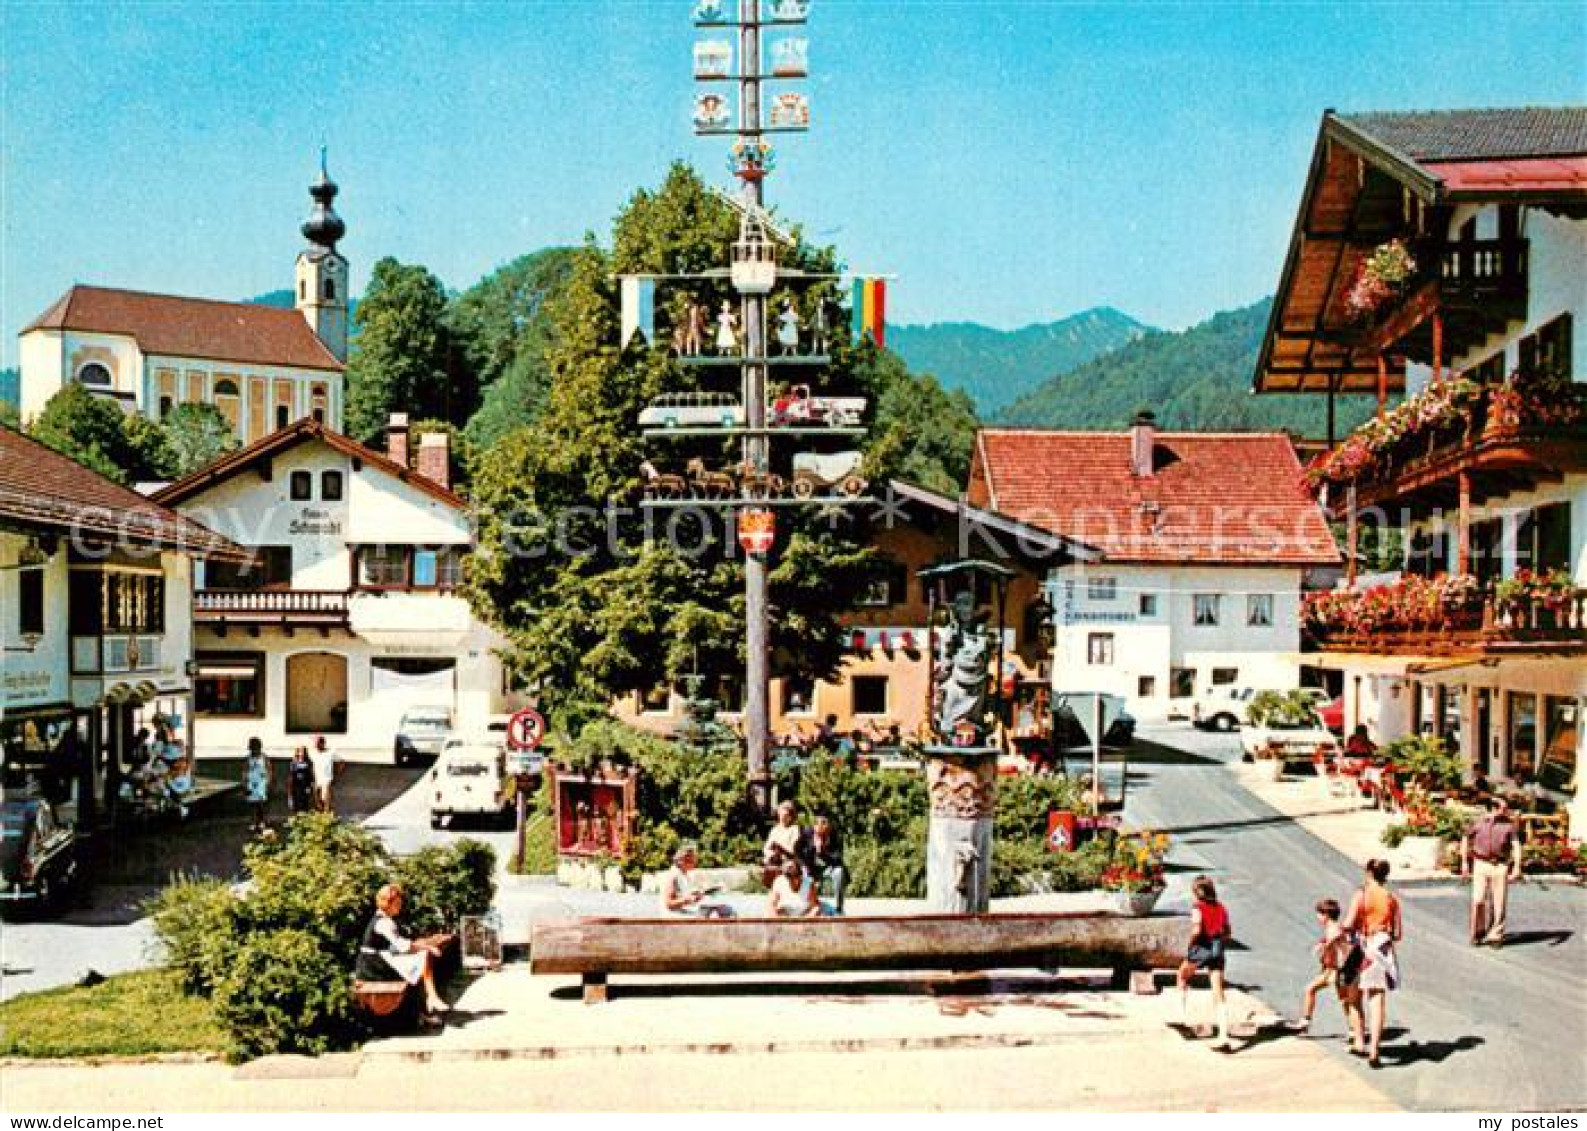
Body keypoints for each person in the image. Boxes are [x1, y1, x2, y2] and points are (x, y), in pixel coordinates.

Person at [355, 884, 449, 1016]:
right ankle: (431, 998)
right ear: (388, 903)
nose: (400, 906)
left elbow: (395, 945)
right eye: (397, 903)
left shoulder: (383, 919)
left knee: (420, 962)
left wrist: (419, 945)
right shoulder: (384, 923)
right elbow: (402, 946)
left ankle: (426, 1006)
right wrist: (427, 946)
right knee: (423, 958)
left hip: (374, 961)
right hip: (373, 966)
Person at [1342, 859, 1402, 1068]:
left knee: (1353, 996)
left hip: (1363, 946)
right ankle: (1375, 1049)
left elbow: (1348, 924)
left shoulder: (1361, 895)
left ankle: (1359, 1041)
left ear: (1368, 873)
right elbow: (1397, 933)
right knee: (1377, 999)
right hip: (1383, 947)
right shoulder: (1391, 899)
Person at [1289, 898, 1366, 1052]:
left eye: (1319, 914)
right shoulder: (1333, 928)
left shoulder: (1334, 928)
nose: (1317, 917)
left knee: (1339, 998)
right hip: (1332, 969)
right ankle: (1351, 1028)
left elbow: (1335, 938)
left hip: (1337, 970)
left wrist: (1325, 947)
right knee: (1339, 998)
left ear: (1325, 915)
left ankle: (1307, 1022)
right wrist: (1323, 945)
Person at [1175, 875, 1234, 1050]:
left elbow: (1197, 929)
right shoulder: (1222, 908)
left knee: (1182, 976)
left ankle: (1182, 1019)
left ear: (1197, 892)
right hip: (1217, 948)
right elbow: (1228, 932)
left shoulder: (1198, 907)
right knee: (1218, 989)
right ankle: (1223, 1035)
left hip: (1201, 947)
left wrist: (1190, 944)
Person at [1462, 795, 1522, 946]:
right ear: (1494, 808)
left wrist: (1517, 867)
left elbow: (1516, 845)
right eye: (1503, 808)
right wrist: (1464, 862)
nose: (1506, 810)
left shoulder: (1509, 825)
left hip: (1500, 865)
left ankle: (1495, 934)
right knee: (1478, 899)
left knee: (1499, 901)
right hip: (1480, 863)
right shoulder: (1478, 822)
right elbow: (1465, 838)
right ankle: (1477, 931)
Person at [660, 844, 732, 917]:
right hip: (674, 916)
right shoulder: (673, 875)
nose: (695, 862)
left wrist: (698, 895)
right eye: (691, 860)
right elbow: (669, 904)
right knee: (719, 913)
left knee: (725, 909)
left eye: (694, 859)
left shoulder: (684, 875)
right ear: (681, 860)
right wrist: (688, 900)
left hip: (684, 911)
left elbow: (682, 896)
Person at [802, 814, 846, 914]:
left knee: (839, 872)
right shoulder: (807, 833)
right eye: (818, 825)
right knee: (804, 873)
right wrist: (813, 848)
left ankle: (839, 908)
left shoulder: (836, 836)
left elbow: (838, 859)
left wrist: (822, 852)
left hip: (829, 867)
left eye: (825, 824)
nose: (822, 828)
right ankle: (808, 906)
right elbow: (798, 850)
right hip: (811, 866)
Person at [762, 799, 805, 885]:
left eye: (786, 815)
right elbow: (766, 848)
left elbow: (794, 849)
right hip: (775, 860)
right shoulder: (775, 830)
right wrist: (771, 854)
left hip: (789, 859)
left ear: (791, 816)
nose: (783, 817)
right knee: (770, 866)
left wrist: (781, 848)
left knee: (788, 867)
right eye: (781, 814)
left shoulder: (794, 829)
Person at [243, 738, 271, 833]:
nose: (253, 750)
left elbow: (269, 770)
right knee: (252, 804)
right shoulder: (248, 758)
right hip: (252, 783)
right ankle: (254, 823)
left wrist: (268, 782)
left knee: (261, 804)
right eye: (252, 747)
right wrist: (245, 784)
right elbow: (245, 771)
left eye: (255, 747)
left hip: (261, 783)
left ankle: (262, 822)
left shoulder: (264, 757)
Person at [309, 736, 337, 815]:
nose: (316, 746)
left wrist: (335, 773)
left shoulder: (330, 753)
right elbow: (311, 764)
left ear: (322, 743)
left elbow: (341, 763)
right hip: (316, 778)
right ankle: (319, 817)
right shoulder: (313, 753)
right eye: (315, 744)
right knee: (317, 801)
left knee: (325, 798)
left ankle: (327, 815)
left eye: (317, 744)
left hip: (326, 779)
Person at [286, 746, 316, 816]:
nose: (301, 754)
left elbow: (311, 777)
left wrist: (311, 788)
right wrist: (289, 796)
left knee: (306, 808)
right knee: (296, 808)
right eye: (299, 751)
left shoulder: (308, 763)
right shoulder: (293, 764)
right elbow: (290, 779)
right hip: (296, 789)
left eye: (303, 751)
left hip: (305, 789)